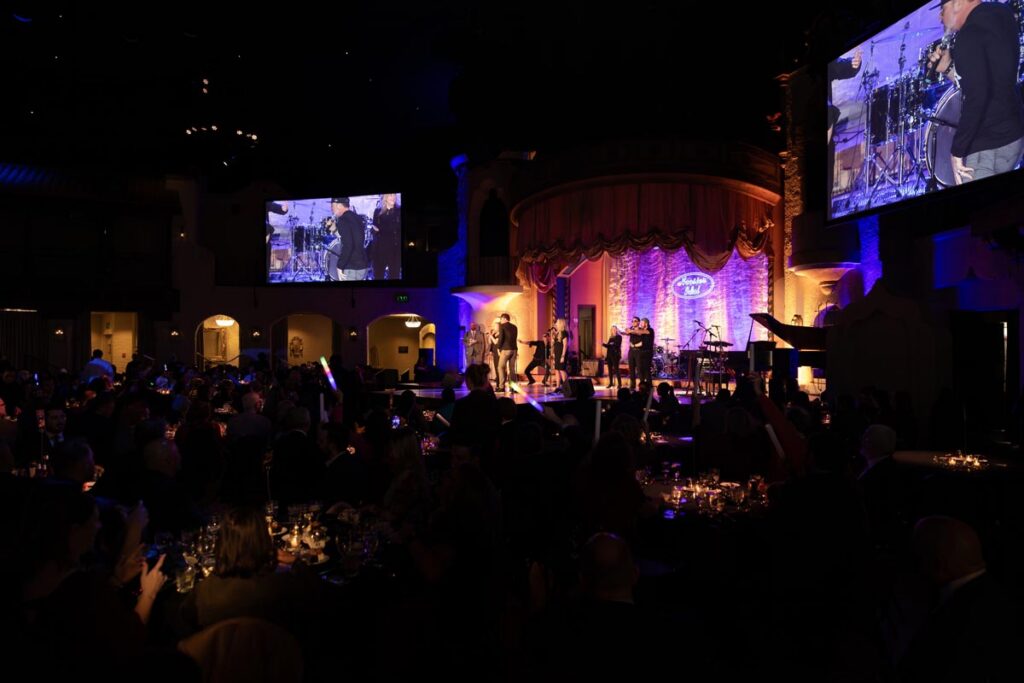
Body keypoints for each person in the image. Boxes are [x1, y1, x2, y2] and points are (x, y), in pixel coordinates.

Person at [935, 0, 1024, 185]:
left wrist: (957, 151)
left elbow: (976, 97)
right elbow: (988, 81)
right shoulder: (1002, 12)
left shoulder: (968, 35)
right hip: (1014, 135)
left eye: (943, 9)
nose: (940, 17)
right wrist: (948, 68)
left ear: (958, 3)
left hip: (988, 146)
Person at [326, 197, 369, 281]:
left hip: (351, 267)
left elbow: (348, 245)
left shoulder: (343, 220)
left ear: (339, 206)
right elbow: (352, 238)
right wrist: (335, 230)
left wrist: (339, 266)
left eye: (332, 206)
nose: (331, 209)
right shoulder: (357, 217)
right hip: (362, 265)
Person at [370, 193, 401, 280]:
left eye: (394, 195)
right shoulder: (377, 211)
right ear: (385, 197)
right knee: (378, 275)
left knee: (394, 275)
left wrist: (380, 229)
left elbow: (396, 228)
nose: (393, 197)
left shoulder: (398, 211)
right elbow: (374, 229)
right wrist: (374, 230)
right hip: (380, 249)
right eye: (390, 195)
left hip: (394, 249)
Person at [496, 313, 518, 392]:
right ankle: (513, 388)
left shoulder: (502, 326)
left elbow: (501, 338)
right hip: (514, 349)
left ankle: (501, 387)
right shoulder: (514, 327)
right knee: (512, 369)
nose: (500, 321)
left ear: (504, 319)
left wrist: (498, 347)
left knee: (500, 367)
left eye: (501, 319)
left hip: (506, 349)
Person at [625, 317, 644, 391]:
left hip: (638, 351)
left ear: (638, 322)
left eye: (635, 321)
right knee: (631, 369)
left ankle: (642, 385)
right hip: (631, 351)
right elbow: (626, 333)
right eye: (632, 321)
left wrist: (635, 345)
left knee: (639, 369)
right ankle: (632, 385)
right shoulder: (631, 329)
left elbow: (642, 342)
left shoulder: (641, 330)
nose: (633, 322)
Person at [552, 318, 569, 391]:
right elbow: (555, 345)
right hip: (557, 354)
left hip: (562, 354)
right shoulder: (557, 333)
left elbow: (565, 345)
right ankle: (558, 386)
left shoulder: (564, 333)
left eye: (557, 322)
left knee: (562, 370)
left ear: (561, 324)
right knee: (557, 370)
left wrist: (563, 356)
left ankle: (566, 387)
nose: (556, 324)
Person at [638, 318, 655, 390]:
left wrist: (632, 330)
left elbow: (643, 332)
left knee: (647, 370)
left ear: (646, 323)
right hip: (641, 352)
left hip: (648, 353)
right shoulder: (641, 331)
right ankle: (642, 386)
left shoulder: (650, 330)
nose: (640, 324)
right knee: (640, 370)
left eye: (642, 323)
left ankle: (649, 386)